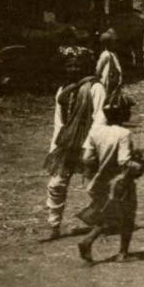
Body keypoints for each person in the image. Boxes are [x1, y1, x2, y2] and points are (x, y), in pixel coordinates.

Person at [77, 96, 144, 263]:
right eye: (127, 110)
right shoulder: (124, 133)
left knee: (109, 213)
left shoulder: (95, 131)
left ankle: (88, 240)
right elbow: (123, 161)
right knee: (128, 215)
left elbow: (87, 158)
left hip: (100, 181)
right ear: (121, 114)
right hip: (120, 181)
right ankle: (122, 253)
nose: (129, 113)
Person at [43, 46, 107, 241]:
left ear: (86, 66)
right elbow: (59, 122)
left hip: (90, 144)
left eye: (78, 65)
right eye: (69, 66)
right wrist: (54, 147)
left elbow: (100, 118)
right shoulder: (63, 91)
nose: (73, 69)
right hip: (67, 144)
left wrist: (89, 147)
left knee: (94, 186)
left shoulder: (95, 87)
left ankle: (102, 222)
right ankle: (54, 225)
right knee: (56, 184)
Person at [95, 28, 123, 96]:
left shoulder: (104, 54)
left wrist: (97, 76)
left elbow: (98, 69)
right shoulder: (114, 54)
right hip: (115, 78)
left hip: (107, 79)